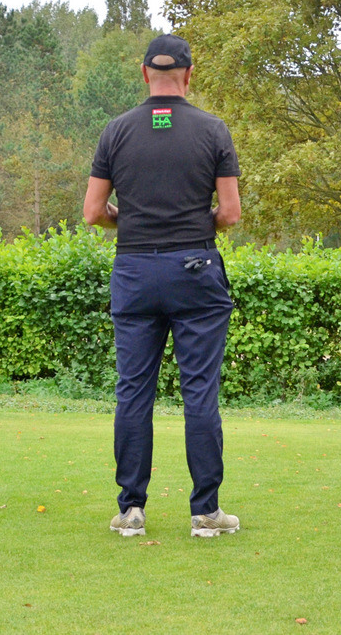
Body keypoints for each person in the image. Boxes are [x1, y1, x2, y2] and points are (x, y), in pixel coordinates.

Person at [83, 33, 242, 538]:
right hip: (195, 270)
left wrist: (126, 221)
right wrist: (194, 226)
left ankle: (131, 510)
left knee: (133, 392)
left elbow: (92, 212)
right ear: (189, 75)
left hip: (134, 270)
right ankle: (205, 512)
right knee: (200, 393)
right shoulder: (212, 130)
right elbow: (230, 214)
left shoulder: (116, 131)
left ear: (144, 73)